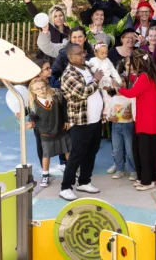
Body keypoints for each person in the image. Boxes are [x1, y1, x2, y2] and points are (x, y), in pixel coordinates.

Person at [58, 44, 105, 201]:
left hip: (95, 120)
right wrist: (97, 80)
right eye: (79, 54)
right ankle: (66, 187)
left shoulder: (86, 68)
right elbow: (83, 92)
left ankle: (84, 181)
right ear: (71, 57)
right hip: (80, 122)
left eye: (83, 52)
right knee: (77, 154)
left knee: (91, 151)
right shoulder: (68, 75)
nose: (83, 55)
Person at [117, 48, 156, 191]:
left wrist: (117, 89)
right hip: (151, 120)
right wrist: (127, 77)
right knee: (148, 151)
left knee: (143, 152)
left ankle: (146, 181)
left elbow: (132, 92)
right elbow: (136, 81)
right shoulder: (150, 74)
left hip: (146, 121)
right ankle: (148, 178)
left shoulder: (144, 77)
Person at [26, 79, 70, 188]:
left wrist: (66, 120)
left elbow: (64, 107)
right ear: (32, 91)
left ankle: (71, 171)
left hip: (60, 130)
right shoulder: (34, 104)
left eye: (42, 87)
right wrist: (31, 123)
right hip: (46, 133)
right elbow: (33, 117)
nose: (41, 90)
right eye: (37, 89)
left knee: (67, 150)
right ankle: (45, 175)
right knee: (46, 155)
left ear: (47, 86)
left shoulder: (56, 98)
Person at [106, 75, 135, 181]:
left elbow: (135, 111)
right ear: (113, 85)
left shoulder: (130, 97)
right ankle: (119, 170)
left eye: (123, 81)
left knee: (130, 150)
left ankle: (133, 170)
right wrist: (110, 118)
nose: (121, 83)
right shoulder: (111, 99)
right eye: (118, 81)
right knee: (117, 149)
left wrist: (131, 114)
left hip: (128, 125)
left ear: (127, 83)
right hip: (116, 126)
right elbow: (107, 114)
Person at [86, 42, 122, 117]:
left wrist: (118, 81)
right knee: (99, 98)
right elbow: (88, 66)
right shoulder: (92, 60)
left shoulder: (108, 61)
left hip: (107, 81)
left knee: (108, 97)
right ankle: (101, 113)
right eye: (102, 53)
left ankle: (109, 112)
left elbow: (113, 70)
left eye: (106, 53)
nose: (105, 55)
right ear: (96, 53)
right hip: (97, 82)